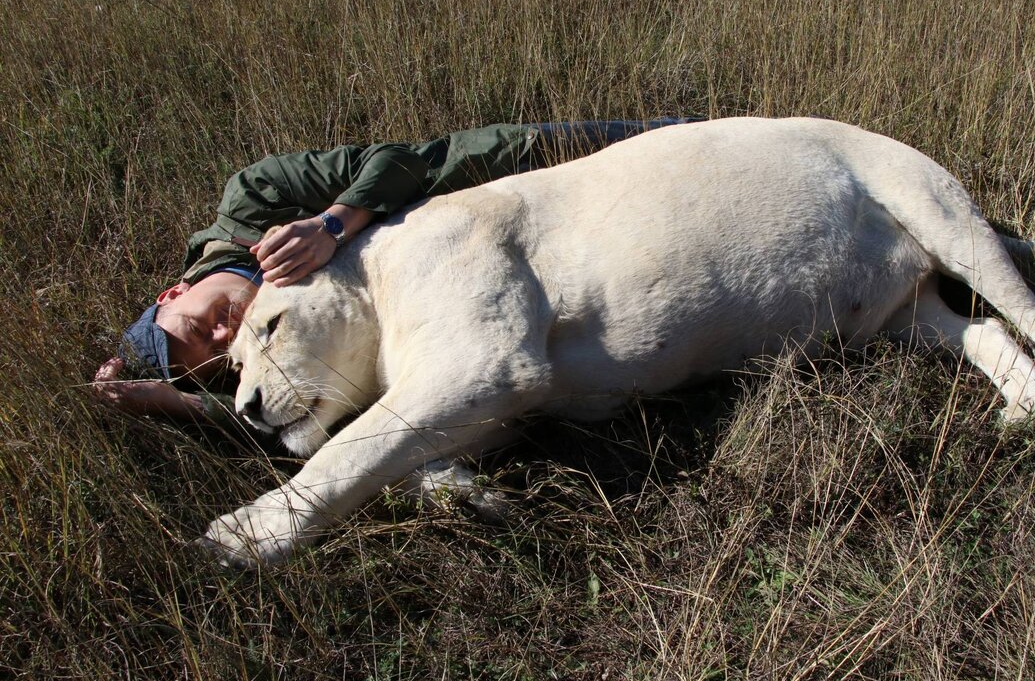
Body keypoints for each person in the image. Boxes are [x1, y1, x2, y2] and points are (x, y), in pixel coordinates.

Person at [92, 118, 704, 429]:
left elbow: (399, 161)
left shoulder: (253, 198)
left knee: (685, 147)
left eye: (199, 325)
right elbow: (282, 415)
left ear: (174, 291)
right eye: (215, 358)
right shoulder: (258, 358)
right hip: (514, 276)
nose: (225, 337)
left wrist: (331, 225)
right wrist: (174, 403)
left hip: (491, 175)